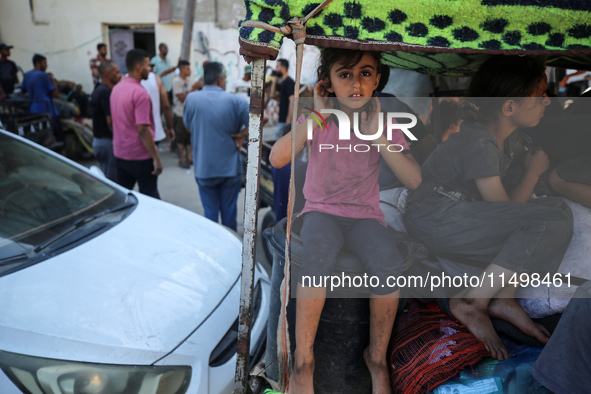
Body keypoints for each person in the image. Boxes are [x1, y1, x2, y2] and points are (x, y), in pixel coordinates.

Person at [269, 48, 422, 393]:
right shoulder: (319, 121)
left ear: (377, 80)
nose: (356, 83)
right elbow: (277, 159)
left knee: (388, 261)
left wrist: (378, 137)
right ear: (328, 83)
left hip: (365, 216)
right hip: (321, 212)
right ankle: (304, 360)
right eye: (345, 75)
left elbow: (413, 179)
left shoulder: (383, 125)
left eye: (366, 74)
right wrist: (314, 117)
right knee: (317, 256)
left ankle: (376, 357)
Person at [403, 56, 573, 360]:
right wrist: (533, 173)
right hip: (434, 216)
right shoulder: (478, 142)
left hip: (459, 215)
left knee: (557, 211)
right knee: (547, 220)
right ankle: (473, 302)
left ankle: (502, 296)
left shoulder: (509, 139)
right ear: (509, 108)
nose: (546, 102)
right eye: (538, 97)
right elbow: (506, 212)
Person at [183, 62, 248, 232]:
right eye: (225, 78)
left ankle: (213, 248)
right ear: (220, 80)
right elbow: (259, 119)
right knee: (229, 216)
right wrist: (242, 134)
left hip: (204, 169)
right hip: (230, 170)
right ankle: (232, 251)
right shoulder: (236, 101)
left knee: (210, 216)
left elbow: (188, 126)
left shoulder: (191, 99)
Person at [110, 49, 163, 198]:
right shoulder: (140, 93)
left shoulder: (116, 89)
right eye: (147, 65)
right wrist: (156, 158)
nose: (150, 69)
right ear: (139, 67)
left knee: (124, 198)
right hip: (141, 157)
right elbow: (143, 129)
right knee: (150, 198)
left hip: (121, 154)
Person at [91, 60, 121, 181]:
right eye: (117, 72)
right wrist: (118, 139)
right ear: (109, 74)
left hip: (100, 141)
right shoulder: (105, 92)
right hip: (107, 142)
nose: (120, 75)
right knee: (112, 180)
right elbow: (110, 120)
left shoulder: (99, 88)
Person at [21, 54, 61, 140]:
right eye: (44, 63)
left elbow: (23, 90)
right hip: (47, 109)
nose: (46, 65)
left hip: (33, 109)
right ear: (38, 63)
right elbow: (55, 93)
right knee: (57, 135)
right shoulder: (44, 75)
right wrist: (52, 79)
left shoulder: (27, 75)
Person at [140, 64, 175, 147]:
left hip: (133, 133)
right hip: (154, 130)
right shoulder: (156, 79)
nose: (150, 68)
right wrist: (170, 127)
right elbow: (166, 106)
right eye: (148, 65)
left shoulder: (124, 80)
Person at [172, 60, 196, 168]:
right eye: (187, 68)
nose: (190, 70)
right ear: (181, 69)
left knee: (189, 137)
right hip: (180, 113)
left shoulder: (188, 80)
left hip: (189, 113)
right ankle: (182, 159)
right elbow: (182, 98)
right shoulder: (177, 81)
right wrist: (194, 89)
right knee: (181, 138)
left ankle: (189, 158)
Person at [269, 58, 295, 139]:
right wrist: (275, 80)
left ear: (283, 68)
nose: (275, 69)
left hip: (285, 120)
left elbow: (292, 100)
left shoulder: (289, 82)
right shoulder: (282, 82)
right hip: (282, 119)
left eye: (277, 67)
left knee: (277, 140)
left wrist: (288, 120)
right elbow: (272, 95)